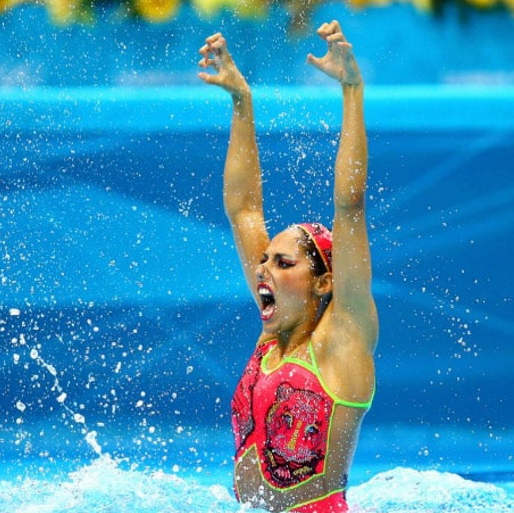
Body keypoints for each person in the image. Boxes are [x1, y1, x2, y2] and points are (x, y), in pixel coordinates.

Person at [198, 21, 378, 513]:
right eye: (264, 261)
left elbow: (350, 207)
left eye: (283, 263)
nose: (264, 271)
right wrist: (241, 101)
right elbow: (244, 209)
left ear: (324, 280)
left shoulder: (344, 340)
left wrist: (351, 90)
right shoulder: (272, 339)